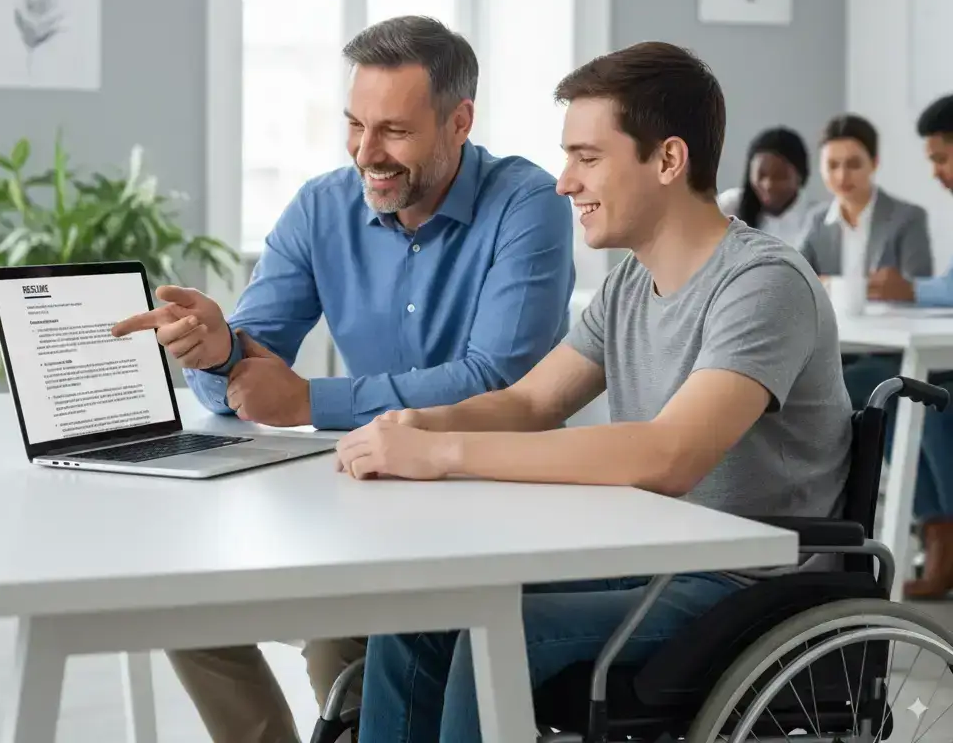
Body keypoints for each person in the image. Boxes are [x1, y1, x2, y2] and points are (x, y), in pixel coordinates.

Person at [335, 42, 852, 743]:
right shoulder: (631, 284)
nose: (562, 182)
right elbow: (528, 404)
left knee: (496, 635)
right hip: (651, 562)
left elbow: (669, 454)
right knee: (418, 615)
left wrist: (445, 452)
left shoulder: (763, 285)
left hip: (742, 585)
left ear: (667, 161)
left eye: (586, 156)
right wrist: (411, 426)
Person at [110, 16, 575, 743]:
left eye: (393, 130)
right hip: (365, 499)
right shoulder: (322, 206)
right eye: (355, 125)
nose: (367, 153)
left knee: (341, 642)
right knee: (177, 603)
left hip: (491, 499)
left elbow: (497, 382)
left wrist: (308, 401)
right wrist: (218, 351)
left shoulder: (529, 204)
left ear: (460, 122)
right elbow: (249, 358)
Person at [844, 95, 953, 598]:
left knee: (922, 392)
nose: (936, 172)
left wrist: (910, 289)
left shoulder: (904, 217)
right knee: (870, 382)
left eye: (941, 158)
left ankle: (942, 534)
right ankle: (935, 528)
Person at [798, 113, 932, 280]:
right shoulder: (816, 220)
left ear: (874, 163)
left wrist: (831, 285)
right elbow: (795, 279)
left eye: (853, 164)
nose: (842, 176)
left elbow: (916, 287)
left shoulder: (908, 218)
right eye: (832, 165)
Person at [717, 126, 815, 246]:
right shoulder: (731, 205)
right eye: (761, 175)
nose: (768, 185)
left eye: (780, 176)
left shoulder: (815, 220)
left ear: (800, 175)